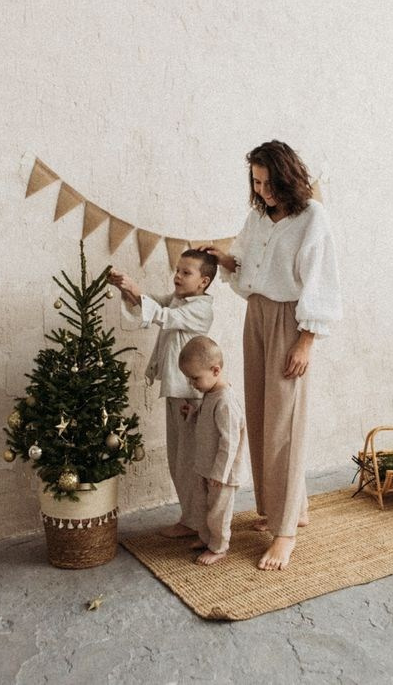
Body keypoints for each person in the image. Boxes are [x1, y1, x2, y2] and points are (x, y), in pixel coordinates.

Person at [203, 140, 341, 570]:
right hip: (257, 316)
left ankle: (284, 534)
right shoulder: (259, 216)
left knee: (285, 423)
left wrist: (306, 340)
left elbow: (320, 281)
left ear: (288, 176)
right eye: (256, 183)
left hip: (289, 320)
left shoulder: (312, 217)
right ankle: (288, 510)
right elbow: (248, 266)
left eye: (268, 183)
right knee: (263, 417)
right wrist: (224, 260)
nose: (262, 191)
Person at [107, 249, 217, 538]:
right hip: (175, 390)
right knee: (177, 458)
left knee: (189, 460)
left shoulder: (201, 309)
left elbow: (163, 316)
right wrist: (126, 288)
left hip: (190, 394)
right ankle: (191, 518)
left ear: (204, 282)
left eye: (186, 272)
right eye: (177, 270)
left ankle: (198, 521)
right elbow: (152, 303)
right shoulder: (179, 299)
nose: (177, 276)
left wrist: (134, 290)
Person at [178, 336, 246, 565]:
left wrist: (220, 473)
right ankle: (206, 538)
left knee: (218, 511)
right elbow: (208, 422)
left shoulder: (225, 401)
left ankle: (219, 547)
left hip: (221, 473)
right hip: (205, 466)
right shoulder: (209, 394)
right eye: (189, 378)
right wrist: (193, 413)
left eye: (195, 378)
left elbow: (230, 441)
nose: (192, 384)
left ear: (216, 370)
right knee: (202, 505)